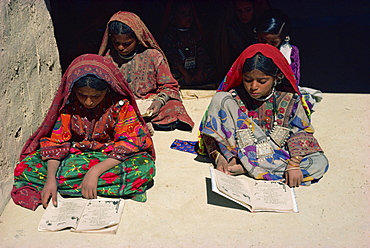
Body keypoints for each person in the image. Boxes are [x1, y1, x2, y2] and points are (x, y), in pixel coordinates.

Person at [11, 54, 156, 210]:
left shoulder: (120, 105)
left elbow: (129, 142)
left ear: (107, 90)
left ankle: (73, 185)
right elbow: (56, 143)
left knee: (144, 167)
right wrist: (51, 179)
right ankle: (86, 185)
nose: (88, 102)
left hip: (110, 158)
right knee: (26, 167)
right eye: (82, 95)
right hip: (73, 157)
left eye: (96, 96)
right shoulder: (69, 104)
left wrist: (95, 172)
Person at [198, 44, 328, 187]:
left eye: (262, 81)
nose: (253, 87)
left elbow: (301, 132)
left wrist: (294, 164)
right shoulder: (233, 99)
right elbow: (213, 131)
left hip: (276, 154)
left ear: (277, 77)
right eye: (247, 80)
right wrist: (220, 158)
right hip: (238, 151)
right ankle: (241, 163)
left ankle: (247, 167)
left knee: (319, 163)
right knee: (219, 98)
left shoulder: (290, 100)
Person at [98, 11, 194, 132]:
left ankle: (139, 122)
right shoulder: (108, 59)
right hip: (122, 105)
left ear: (138, 39)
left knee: (174, 107)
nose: (121, 48)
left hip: (149, 104)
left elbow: (169, 86)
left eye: (127, 43)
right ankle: (139, 123)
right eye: (116, 43)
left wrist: (159, 101)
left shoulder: (153, 56)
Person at [161, 0, 216, 89]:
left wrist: (199, 72)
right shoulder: (170, 35)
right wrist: (185, 74)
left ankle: (196, 79)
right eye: (182, 14)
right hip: (180, 71)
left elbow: (201, 53)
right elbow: (173, 58)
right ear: (173, 16)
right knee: (170, 75)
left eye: (190, 13)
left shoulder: (196, 33)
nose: (188, 17)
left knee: (211, 69)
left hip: (195, 68)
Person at [214, 0, 269, 79]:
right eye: (239, 10)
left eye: (248, 10)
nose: (243, 15)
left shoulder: (263, 27)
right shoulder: (230, 28)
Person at [255, 8, 300, 85]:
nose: (267, 45)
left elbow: (294, 81)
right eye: (262, 39)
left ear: (283, 38)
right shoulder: (251, 51)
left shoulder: (291, 53)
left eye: (273, 42)